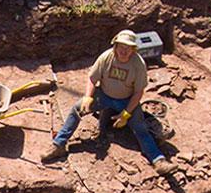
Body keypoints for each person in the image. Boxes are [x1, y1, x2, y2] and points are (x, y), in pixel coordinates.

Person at [41, 30, 173, 174]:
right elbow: (92, 78)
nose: (124, 50)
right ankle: (59, 144)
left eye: (128, 48)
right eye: (121, 46)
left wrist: (127, 113)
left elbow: (138, 92)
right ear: (115, 46)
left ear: (133, 49)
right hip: (103, 95)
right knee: (76, 109)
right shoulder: (106, 57)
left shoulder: (138, 64)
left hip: (126, 100)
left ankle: (158, 160)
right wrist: (88, 97)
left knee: (140, 128)